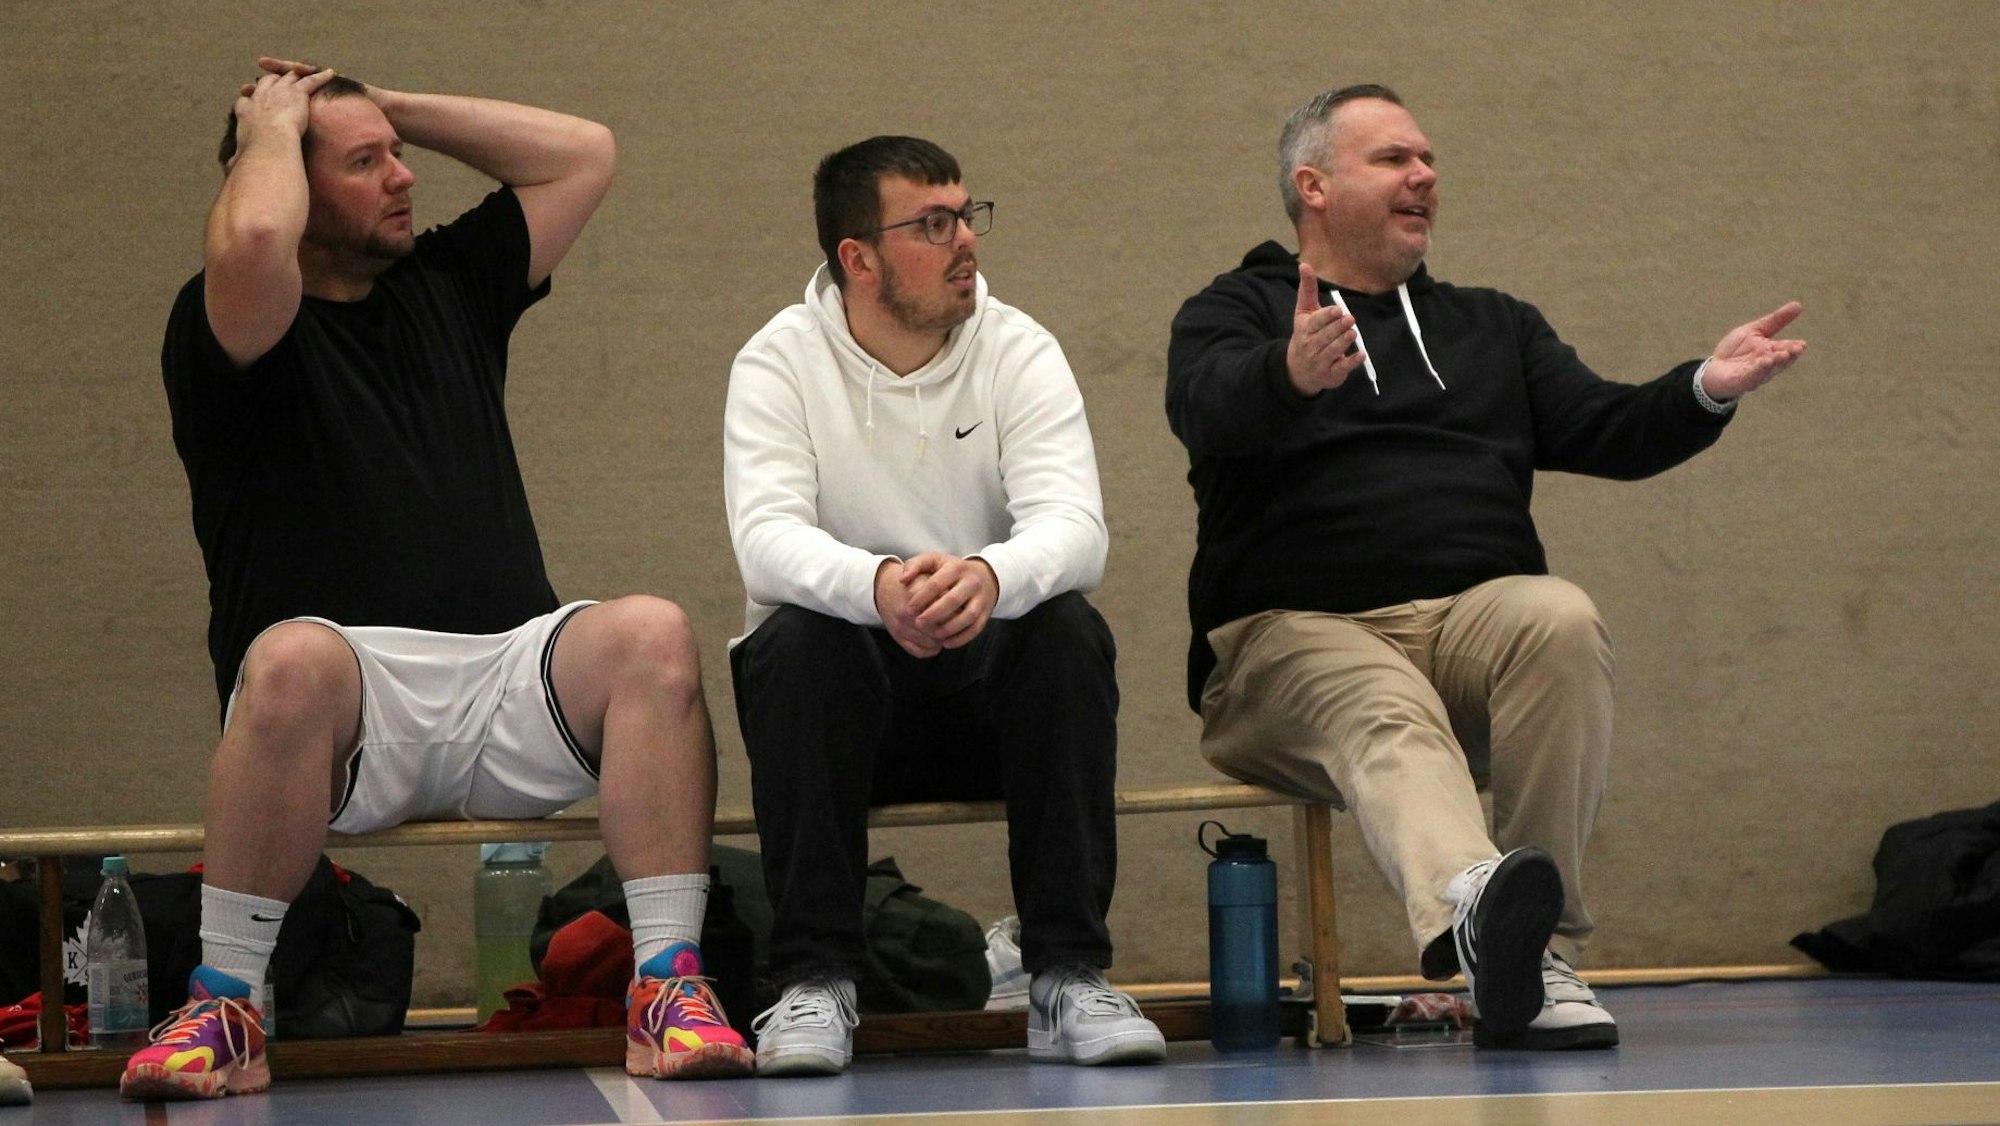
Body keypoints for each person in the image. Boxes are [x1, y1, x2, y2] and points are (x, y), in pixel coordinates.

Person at [129, 58, 751, 1099]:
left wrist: (379, 105)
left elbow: (581, 155)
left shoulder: (447, 282)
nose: (403, 176)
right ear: (286, 177)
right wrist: (273, 128)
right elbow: (248, 235)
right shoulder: (231, 321)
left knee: (650, 631)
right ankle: (225, 1005)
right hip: (346, 706)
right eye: (367, 164)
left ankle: (666, 986)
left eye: (398, 155)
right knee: (284, 657)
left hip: (508, 679)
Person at [1165, 85, 1805, 1051]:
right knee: (1374, 695)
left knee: (1558, 616)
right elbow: (1206, 408)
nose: (1424, 175)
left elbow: (1609, 428)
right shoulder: (1237, 311)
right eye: (1391, 159)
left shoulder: (1492, 326)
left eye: (1428, 160)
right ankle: (1478, 908)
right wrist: (1288, 373)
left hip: (1463, 626)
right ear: (1314, 186)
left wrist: (1706, 389)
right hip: (1285, 643)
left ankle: (1529, 954)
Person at [723, 136, 1166, 1076]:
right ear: (859, 258)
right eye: (933, 224)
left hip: (987, 699)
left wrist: (990, 577)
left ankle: (1065, 977)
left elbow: (1077, 526)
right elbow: (764, 541)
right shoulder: (776, 362)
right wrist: (879, 587)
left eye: (968, 215)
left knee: (1067, 628)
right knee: (795, 639)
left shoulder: (1019, 347)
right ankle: (813, 984)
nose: (966, 240)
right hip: (844, 706)